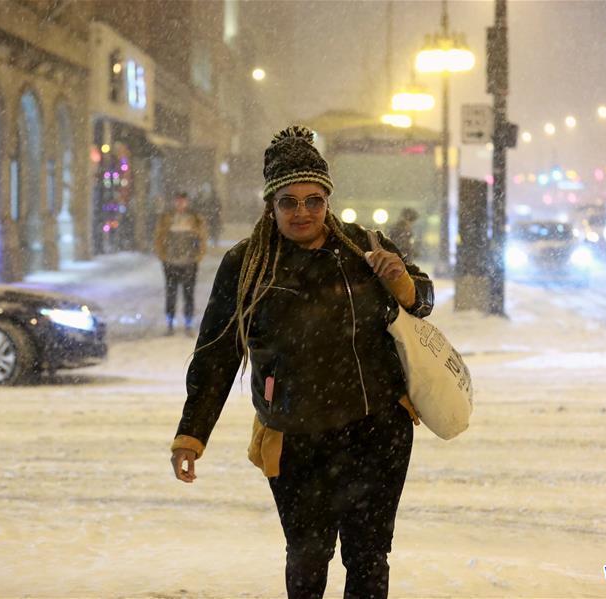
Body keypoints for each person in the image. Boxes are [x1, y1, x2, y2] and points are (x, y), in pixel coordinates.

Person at [169, 125, 434, 598]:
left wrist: (404, 284)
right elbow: (216, 353)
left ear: (327, 200)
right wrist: (192, 433)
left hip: (376, 430)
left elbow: (423, 301)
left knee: (369, 556)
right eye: (289, 201)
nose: (302, 212)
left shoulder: (362, 247)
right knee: (308, 558)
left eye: (314, 200)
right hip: (295, 437)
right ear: (270, 205)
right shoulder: (247, 263)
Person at [153, 191, 208, 336]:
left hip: (189, 262)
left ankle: (188, 323)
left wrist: (198, 256)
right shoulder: (166, 218)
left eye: (183, 201)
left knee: (188, 293)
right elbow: (159, 236)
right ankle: (170, 323)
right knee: (171, 293)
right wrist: (162, 255)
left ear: (187, 201)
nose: (180, 204)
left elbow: (202, 237)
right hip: (170, 262)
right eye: (178, 200)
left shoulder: (195, 218)